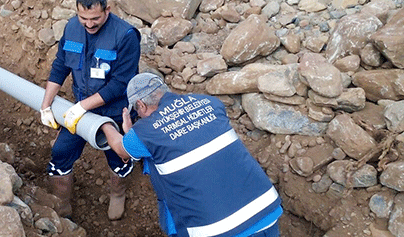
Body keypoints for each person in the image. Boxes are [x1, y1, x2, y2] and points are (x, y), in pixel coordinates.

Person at [101, 73, 283, 237]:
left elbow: (120, 148)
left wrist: (105, 125)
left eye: (137, 110)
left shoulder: (144, 132)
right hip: (266, 209)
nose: (138, 114)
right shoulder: (210, 103)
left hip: (218, 228)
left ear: (140, 104)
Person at [40, 0, 141, 220]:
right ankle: (63, 206)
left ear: (107, 9)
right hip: (82, 109)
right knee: (60, 154)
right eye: (83, 17)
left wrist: (81, 107)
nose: (89, 24)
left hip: (115, 111)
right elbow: (61, 66)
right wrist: (46, 104)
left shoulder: (125, 36)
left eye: (95, 18)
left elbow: (120, 84)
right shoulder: (72, 28)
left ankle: (117, 195)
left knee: (119, 157)